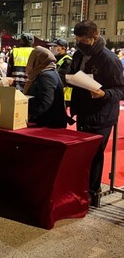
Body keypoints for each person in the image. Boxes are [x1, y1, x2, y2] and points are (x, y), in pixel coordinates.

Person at [68, 20, 124, 207]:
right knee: (83, 152)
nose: (80, 44)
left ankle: (93, 191)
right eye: (78, 40)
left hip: (102, 114)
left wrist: (104, 94)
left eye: (84, 41)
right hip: (83, 111)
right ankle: (81, 187)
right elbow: (73, 74)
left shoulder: (109, 59)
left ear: (95, 36)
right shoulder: (78, 54)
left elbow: (120, 89)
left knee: (95, 153)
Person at [24, 46, 68, 128]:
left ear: (38, 60)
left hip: (48, 124)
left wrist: (29, 113)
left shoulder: (46, 76)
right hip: (46, 122)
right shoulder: (45, 72)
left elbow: (45, 102)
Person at [47, 38, 73, 108]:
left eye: (55, 46)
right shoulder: (54, 59)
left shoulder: (67, 61)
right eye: (51, 46)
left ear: (63, 48)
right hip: (56, 93)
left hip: (64, 95)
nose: (52, 48)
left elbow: (63, 78)